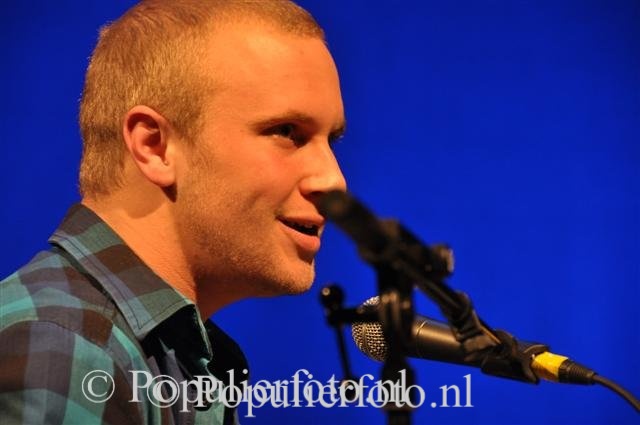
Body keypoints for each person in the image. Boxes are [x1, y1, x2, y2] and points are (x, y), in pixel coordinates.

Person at [0, 1, 346, 424]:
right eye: (287, 132)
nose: (334, 180)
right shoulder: (67, 349)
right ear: (155, 146)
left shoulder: (160, 357)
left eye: (332, 140)